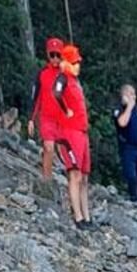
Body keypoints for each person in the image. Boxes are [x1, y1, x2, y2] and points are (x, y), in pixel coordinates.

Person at [54, 44, 93, 230]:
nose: (78, 65)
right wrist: (65, 110)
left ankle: (87, 216)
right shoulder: (63, 78)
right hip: (69, 133)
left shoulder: (76, 82)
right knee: (75, 174)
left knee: (84, 176)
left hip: (82, 133)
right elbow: (56, 93)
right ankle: (78, 217)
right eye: (74, 62)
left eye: (78, 62)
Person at [28, 37, 66, 188]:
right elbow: (36, 98)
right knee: (48, 147)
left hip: (63, 119)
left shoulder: (66, 74)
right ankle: (46, 181)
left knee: (65, 153)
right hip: (46, 118)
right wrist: (31, 119)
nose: (55, 58)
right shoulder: (42, 74)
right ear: (48, 55)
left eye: (58, 54)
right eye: (52, 55)